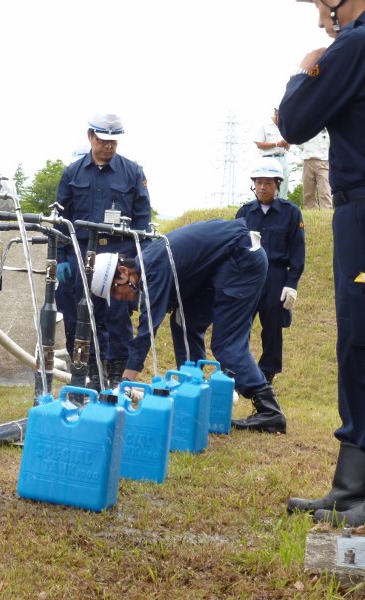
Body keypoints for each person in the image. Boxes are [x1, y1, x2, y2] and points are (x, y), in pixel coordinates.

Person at [278, 0, 365, 526]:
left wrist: (305, 68)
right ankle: (352, 486)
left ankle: (356, 489)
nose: (319, 20)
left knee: (360, 338)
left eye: (320, 5)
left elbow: (295, 119)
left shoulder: (353, 46)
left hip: (362, 212)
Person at [91, 218, 287, 434]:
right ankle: (194, 391)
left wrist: (126, 382)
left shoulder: (152, 268)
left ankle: (269, 410)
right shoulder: (149, 263)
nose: (118, 297)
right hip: (223, 263)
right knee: (183, 322)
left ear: (124, 271)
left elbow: (148, 329)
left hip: (241, 258)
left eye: (114, 290)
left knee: (226, 344)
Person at [56, 112, 151, 389]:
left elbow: (142, 219)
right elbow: (61, 219)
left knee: (117, 316)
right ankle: (87, 373)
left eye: (113, 141)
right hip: (81, 252)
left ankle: (116, 377)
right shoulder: (73, 173)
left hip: (119, 252)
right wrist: (62, 257)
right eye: (103, 140)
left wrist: (137, 260)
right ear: (90, 137)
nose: (108, 146)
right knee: (81, 314)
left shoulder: (132, 172)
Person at [235, 158, 306, 385]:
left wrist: (291, 283)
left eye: (268, 182)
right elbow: (233, 248)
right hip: (247, 276)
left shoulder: (291, 213)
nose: (263, 187)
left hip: (275, 275)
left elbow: (297, 250)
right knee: (240, 324)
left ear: (277, 185)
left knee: (273, 327)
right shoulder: (244, 213)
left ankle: (267, 374)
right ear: (253, 184)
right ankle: (236, 369)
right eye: (259, 182)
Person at [253, 108, 291, 198]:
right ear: (276, 114)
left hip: (283, 158)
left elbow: (289, 142)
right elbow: (259, 144)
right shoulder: (264, 125)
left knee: (283, 185)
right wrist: (277, 144)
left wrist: (287, 144)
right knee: (268, 184)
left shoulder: (286, 125)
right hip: (268, 159)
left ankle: (282, 208)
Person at [297, 128, 332, 209]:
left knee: (325, 190)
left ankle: (327, 211)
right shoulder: (306, 127)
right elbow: (299, 143)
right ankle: (311, 211)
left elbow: (330, 143)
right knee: (308, 191)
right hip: (308, 160)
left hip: (323, 160)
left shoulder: (326, 129)